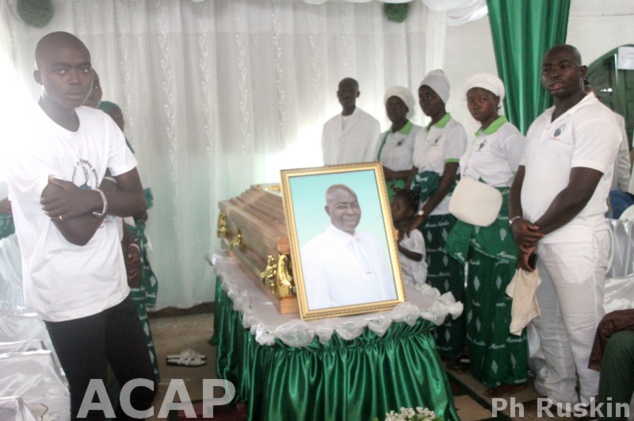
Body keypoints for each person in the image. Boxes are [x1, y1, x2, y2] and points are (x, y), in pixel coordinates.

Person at [5, 32, 156, 420]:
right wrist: (109, 184)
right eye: (61, 69)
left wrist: (89, 195)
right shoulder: (24, 136)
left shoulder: (101, 122)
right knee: (90, 399)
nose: (75, 78)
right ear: (39, 76)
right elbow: (77, 234)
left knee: (141, 385)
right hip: (66, 292)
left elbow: (137, 200)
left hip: (111, 282)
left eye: (83, 68)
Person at [509, 44, 621, 406]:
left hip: (577, 240)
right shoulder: (541, 121)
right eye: (547, 69)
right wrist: (515, 222)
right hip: (540, 240)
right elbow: (519, 179)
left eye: (564, 66)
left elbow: (580, 191)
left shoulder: (597, 119)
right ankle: (560, 393)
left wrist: (531, 234)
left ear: (582, 70)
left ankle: (594, 401)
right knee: (549, 325)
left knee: (583, 329)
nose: (554, 73)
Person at [445, 73, 528, 397]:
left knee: (502, 301)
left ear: (497, 101)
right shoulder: (480, 134)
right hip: (478, 226)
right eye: (471, 99)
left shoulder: (508, 134)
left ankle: (510, 372)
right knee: (480, 299)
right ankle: (481, 362)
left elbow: (522, 179)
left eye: (482, 98)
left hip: (500, 230)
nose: (476, 104)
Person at [405, 69, 468, 362]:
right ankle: (432, 345)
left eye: (429, 95)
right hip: (423, 214)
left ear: (442, 97)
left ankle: (452, 346)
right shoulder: (425, 131)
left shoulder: (453, 130)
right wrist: (406, 210)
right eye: (421, 96)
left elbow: (447, 179)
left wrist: (422, 213)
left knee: (447, 280)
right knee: (427, 279)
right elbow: (418, 172)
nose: (425, 101)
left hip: (442, 214)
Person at [300, 184, 397, 310]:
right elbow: (318, 306)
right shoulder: (312, 251)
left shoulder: (373, 241)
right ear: (328, 210)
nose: (351, 212)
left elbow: (388, 289)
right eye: (342, 206)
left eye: (355, 205)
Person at [584, 81, 633, 219]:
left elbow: (622, 157)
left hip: (610, 188)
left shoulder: (615, 119)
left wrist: (624, 190)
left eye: (596, 99)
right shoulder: (573, 121)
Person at [376, 86, 423, 201]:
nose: (393, 109)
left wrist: (393, 175)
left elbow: (422, 169)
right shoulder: (382, 138)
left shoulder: (419, 133)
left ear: (406, 108)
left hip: (407, 196)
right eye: (389, 105)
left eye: (397, 104)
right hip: (384, 195)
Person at [321, 77, 381, 165]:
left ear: (357, 94)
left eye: (350, 91)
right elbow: (326, 160)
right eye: (343, 91)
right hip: (334, 177)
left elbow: (370, 158)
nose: (346, 95)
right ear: (338, 94)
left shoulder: (371, 123)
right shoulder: (328, 126)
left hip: (360, 177)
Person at [390, 189, 427, 287]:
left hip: (414, 279)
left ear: (409, 212)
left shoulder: (414, 234)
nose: (393, 210)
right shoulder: (391, 230)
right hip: (401, 278)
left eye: (398, 207)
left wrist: (399, 247)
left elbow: (418, 257)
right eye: (392, 206)